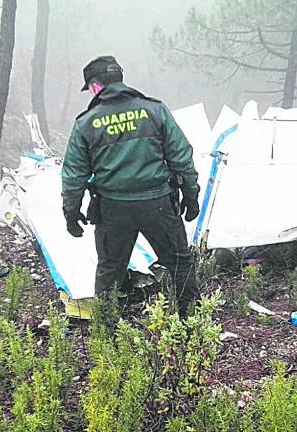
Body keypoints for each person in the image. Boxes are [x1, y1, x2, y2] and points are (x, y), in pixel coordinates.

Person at [61, 55, 201, 316]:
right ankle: (191, 323)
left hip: (113, 210)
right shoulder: (155, 110)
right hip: (159, 204)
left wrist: (71, 212)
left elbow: (73, 175)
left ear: (94, 86)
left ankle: (106, 333)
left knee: (109, 271)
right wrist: (191, 197)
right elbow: (182, 157)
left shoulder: (86, 123)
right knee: (180, 264)